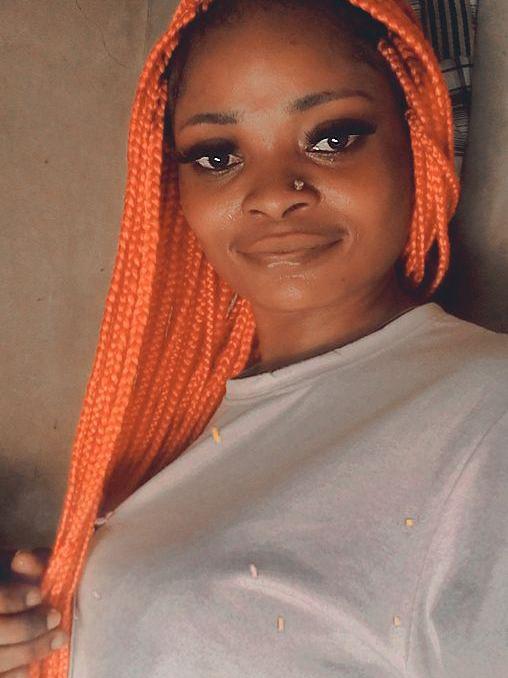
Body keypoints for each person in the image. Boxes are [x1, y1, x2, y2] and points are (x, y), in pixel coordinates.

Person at [1, 0, 507, 676]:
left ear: (417, 139)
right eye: (217, 155)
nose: (273, 193)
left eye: (333, 137)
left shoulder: (485, 411)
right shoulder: (177, 429)